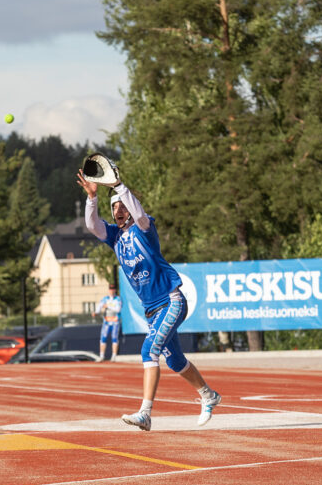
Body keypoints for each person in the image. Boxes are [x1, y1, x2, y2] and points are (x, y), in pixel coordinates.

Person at [77, 166, 222, 431]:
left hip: (171, 301)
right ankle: (208, 395)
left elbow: (140, 214)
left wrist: (119, 186)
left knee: (148, 351)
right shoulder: (115, 237)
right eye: (115, 207)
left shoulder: (144, 228)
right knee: (175, 360)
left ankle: (145, 413)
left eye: (123, 206)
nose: (119, 211)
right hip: (152, 310)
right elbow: (92, 225)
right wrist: (92, 198)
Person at [96, 283, 122, 361]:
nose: (111, 291)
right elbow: (99, 306)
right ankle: (101, 356)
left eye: (113, 289)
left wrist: (108, 306)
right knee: (103, 338)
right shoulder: (105, 299)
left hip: (115, 322)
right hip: (106, 322)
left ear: (115, 290)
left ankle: (114, 356)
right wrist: (96, 312)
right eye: (110, 289)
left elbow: (118, 309)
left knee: (114, 338)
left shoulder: (118, 299)